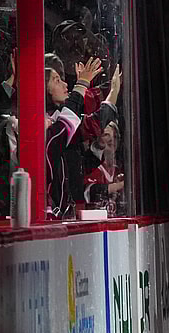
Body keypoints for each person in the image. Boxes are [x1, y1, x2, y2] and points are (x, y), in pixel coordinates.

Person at [45, 57, 122, 218]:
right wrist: (83, 84)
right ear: (43, 90)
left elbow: (93, 123)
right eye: (57, 80)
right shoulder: (48, 126)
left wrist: (113, 91)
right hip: (49, 217)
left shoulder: (60, 120)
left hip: (66, 214)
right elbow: (89, 123)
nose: (65, 84)